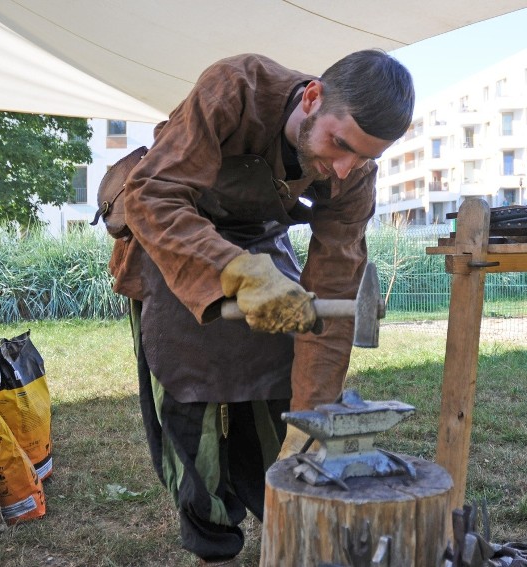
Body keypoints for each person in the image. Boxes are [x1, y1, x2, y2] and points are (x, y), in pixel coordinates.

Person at [108, 50, 414, 566]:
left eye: (363, 157)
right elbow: (152, 197)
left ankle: (284, 518)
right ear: (313, 97)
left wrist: (314, 415)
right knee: (190, 395)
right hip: (172, 238)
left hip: (262, 244)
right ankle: (212, 543)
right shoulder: (235, 88)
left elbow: (334, 289)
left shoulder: (353, 174)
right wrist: (235, 272)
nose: (344, 169)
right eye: (339, 144)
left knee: (280, 390)